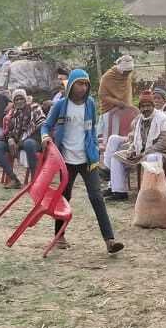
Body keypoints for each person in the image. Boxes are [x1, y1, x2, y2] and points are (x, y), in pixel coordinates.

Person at [41, 68, 125, 254]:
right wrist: (46, 137)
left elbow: (92, 127)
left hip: (88, 159)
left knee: (97, 198)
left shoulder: (90, 104)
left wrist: (94, 145)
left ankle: (109, 240)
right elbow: (46, 125)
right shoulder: (61, 105)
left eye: (86, 84)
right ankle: (59, 235)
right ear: (71, 85)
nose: (83, 87)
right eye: (79, 83)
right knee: (64, 198)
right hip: (66, 160)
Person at [104, 92, 166, 201]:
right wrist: (131, 149)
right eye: (143, 106)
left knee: (151, 158)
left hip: (162, 152)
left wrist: (146, 152)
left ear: (153, 106)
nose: (146, 109)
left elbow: (164, 143)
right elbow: (135, 140)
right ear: (140, 108)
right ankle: (119, 192)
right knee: (116, 157)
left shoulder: (162, 118)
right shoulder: (140, 119)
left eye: (148, 106)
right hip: (141, 152)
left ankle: (151, 192)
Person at [0, 89, 43, 190]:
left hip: (33, 140)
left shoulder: (35, 108)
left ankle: (35, 180)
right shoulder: (12, 113)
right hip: (17, 142)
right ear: (13, 102)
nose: (19, 101)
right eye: (16, 99)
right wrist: (10, 139)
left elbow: (42, 124)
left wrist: (22, 140)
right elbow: (8, 131)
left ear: (25, 99)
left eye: (21, 99)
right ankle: (13, 179)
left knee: (29, 143)